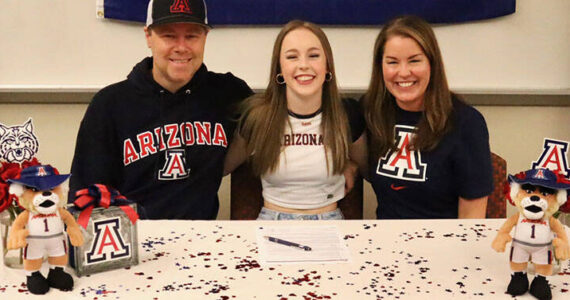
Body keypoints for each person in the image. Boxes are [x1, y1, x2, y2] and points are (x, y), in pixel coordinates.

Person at [69, 0, 252, 219]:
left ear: (205, 37)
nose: (181, 47)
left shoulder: (229, 93)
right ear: (148, 36)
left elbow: (278, 115)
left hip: (201, 241)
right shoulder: (109, 105)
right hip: (133, 241)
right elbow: (85, 197)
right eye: (169, 36)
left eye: (192, 36)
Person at [223, 20, 367, 220]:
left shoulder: (347, 115)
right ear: (279, 69)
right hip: (272, 220)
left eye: (314, 56)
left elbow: (372, 171)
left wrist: (352, 164)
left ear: (328, 66)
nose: (304, 65)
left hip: (330, 221)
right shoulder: (258, 118)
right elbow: (221, 168)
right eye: (292, 57)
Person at [362, 15, 492, 219]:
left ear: (432, 63)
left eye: (414, 60)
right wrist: (349, 167)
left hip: (444, 244)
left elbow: (472, 219)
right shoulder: (371, 111)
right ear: (381, 67)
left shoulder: (467, 122)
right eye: (392, 62)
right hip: (383, 243)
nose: (403, 72)